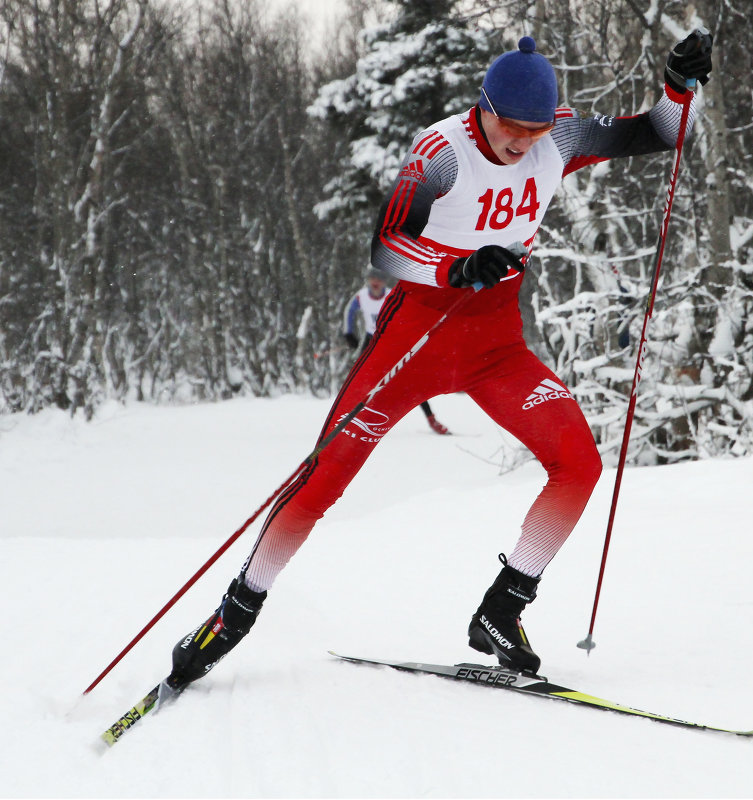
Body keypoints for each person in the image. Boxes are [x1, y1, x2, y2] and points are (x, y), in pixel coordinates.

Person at [165, 30, 714, 689]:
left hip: (497, 349)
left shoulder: (559, 138)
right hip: (414, 344)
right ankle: (235, 613)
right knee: (322, 481)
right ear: (484, 108)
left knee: (579, 463)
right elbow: (388, 248)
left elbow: (657, 132)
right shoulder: (440, 152)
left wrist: (679, 89)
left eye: (535, 130)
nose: (523, 142)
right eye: (512, 127)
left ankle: (503, 609)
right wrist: (458, 266)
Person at [344, 268, 450, 435]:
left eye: (378, 279)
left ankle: (431, 419)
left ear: (384, 282)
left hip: (392, 339)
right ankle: (351, 418)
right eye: (372, 279)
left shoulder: (392, 294)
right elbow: (349, 313)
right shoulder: (361, 296)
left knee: (410, 379)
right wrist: (349, 334)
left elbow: (409, 314)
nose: (375, 283)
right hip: (371, 339)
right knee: (360, 379)